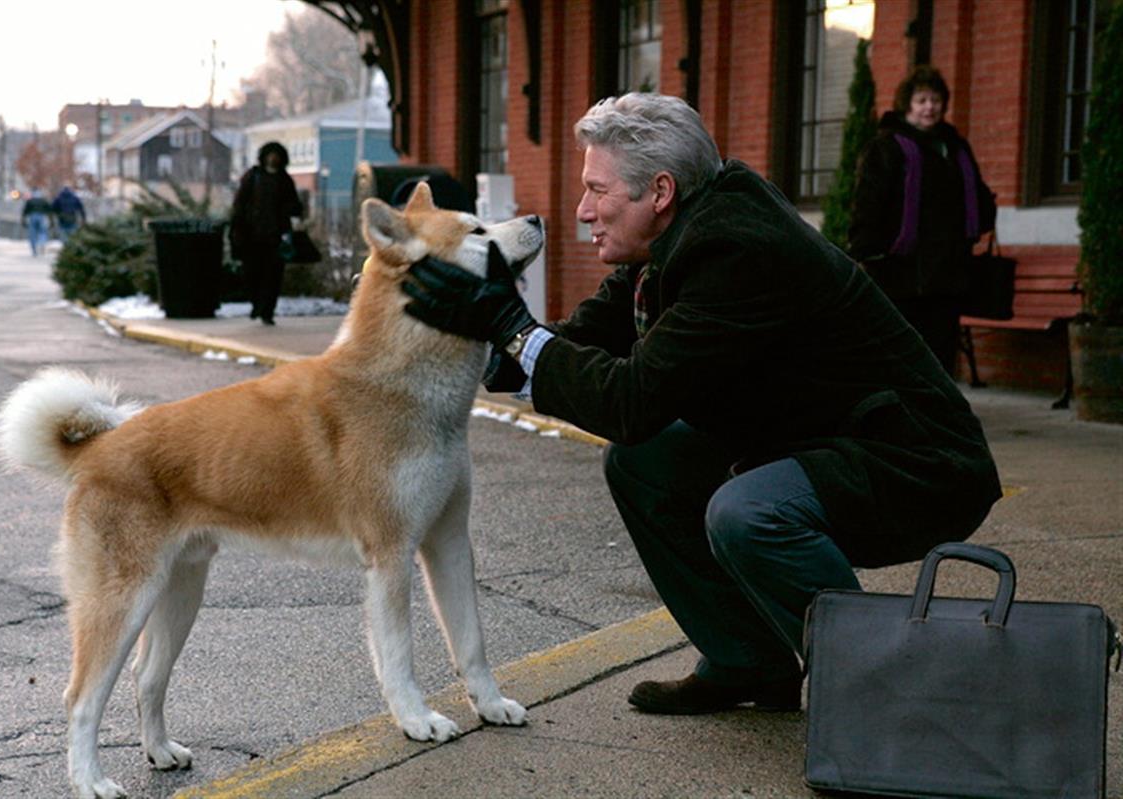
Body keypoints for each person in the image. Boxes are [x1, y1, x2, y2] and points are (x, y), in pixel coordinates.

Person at [400, 92, 1001, 715]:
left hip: (915, 462)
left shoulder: (737, 251)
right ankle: (749, 662)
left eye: (597, 191)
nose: (583, 211)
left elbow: (631, 399)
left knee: (747, 513)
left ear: (658, 191)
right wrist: (482, 340)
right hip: (827, 442)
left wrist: (513, 327)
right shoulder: (681, 229)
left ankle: (883, 696)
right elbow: (584, 337)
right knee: (643, 461)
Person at [849, 65, 997, 373]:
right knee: (903, 353)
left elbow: (978, 197)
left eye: (935, 100)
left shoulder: (955, 148)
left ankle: (939, 413)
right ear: (908, 105)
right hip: (901, 274)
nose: (930, 107)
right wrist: (867, 251)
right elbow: (868, 204)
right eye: (921, 100)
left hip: (948, 273)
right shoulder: (887, 147)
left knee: (941, 354)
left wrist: (983, 217)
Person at [229, 141, 303, 325]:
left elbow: (296, 206)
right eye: (270, 154)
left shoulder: (285, 180)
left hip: (276, 237)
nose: (273, 158)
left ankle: (267, 311)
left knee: (273, 276)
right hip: (251, 236)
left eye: (276, 155)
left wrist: (288, 213)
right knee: (251, 274)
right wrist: (237, 229)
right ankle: (256, 304)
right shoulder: (252, 177)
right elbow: (239, 204)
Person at [21, 189, 52, 257]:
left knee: (33, 234)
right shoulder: (43, 201)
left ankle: (34, 249)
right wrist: (51, 221)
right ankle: (42, 243)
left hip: (32, 217)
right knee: (42, 232)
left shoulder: (30, 201)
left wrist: (23, 221)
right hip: (42, 216)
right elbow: (49, 210)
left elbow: (25, 211)